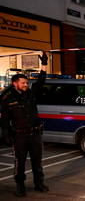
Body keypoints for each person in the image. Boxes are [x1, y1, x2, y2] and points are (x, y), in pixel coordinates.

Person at [0, 52, 49, 197]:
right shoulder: (7, 98)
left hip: (35, 134)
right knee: (19, 163)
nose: (26, 85)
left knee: (37, 162)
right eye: (23, 83)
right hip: (19, 136)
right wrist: (6, 135)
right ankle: (20, 186)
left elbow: (41, 82)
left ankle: (39, 183)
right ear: (15, 84)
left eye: (27, 83)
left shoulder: (31, 93)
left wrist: (44, 65)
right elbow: (4, 119)